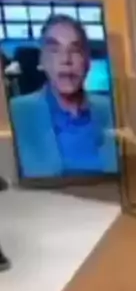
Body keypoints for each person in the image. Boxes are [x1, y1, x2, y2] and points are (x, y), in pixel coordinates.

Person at [9, 14, 117, 178]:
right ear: (42, 61)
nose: (66, 60)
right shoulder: (17, 113)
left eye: (75, 50)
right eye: (54, 50)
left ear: (88, 61)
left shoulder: (112, 110)